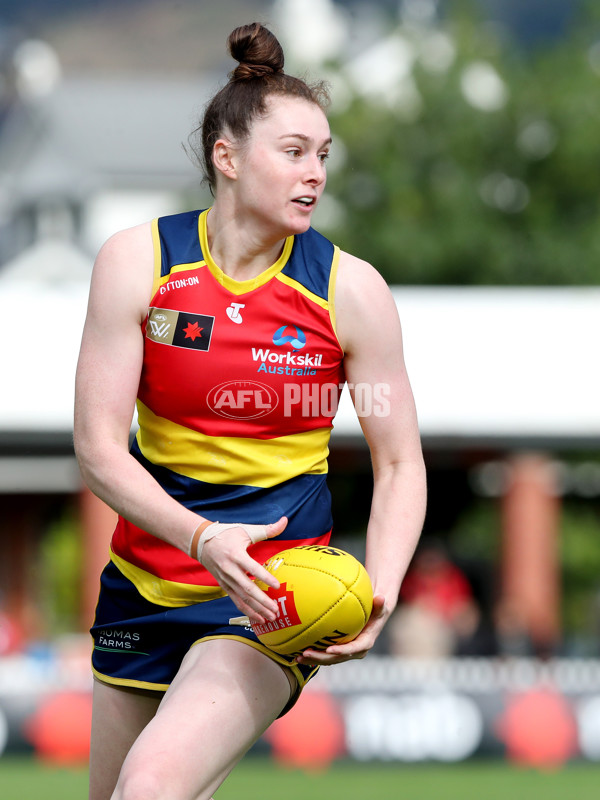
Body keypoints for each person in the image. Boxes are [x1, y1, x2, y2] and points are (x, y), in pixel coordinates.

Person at [74, 22, 426, 800]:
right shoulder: (139, 264)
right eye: (294, 152)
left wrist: (384, 586)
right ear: (226, 159)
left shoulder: (351, 291)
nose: (316, 175)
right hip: (145, 583)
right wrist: (203, 539)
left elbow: (401, 462)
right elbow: (99, 450)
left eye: (324, 156)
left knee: (151, 791)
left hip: (270, 602)